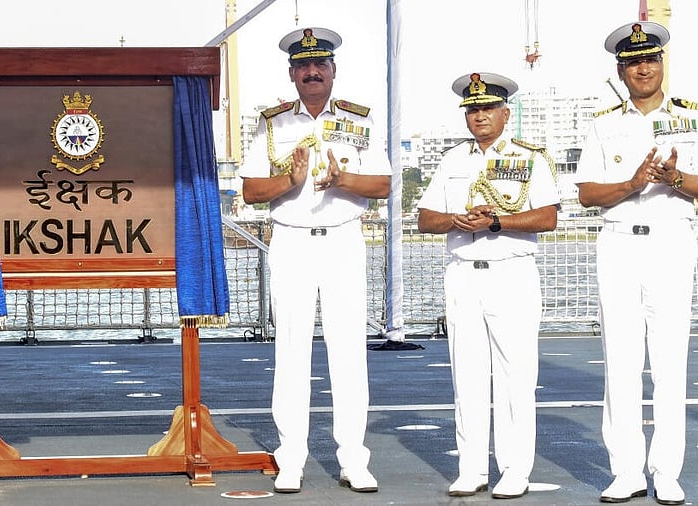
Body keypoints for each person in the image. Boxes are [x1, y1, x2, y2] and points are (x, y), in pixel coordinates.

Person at [239, 27, 390, 494]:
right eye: (303, 66)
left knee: (348, 354)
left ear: (333, 70)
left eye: (319, 64)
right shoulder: (272, 124)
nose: (311, 72)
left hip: (343, 240)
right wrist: (288, 180)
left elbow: (382, 185)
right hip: (293, 242)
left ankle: (353, 459)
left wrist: (344, 179)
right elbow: (250, 190)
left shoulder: (360, 121)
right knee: (291, 353)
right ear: (292, 74)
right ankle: (292, 457)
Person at [416, 72, 560, 499]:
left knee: (516, 375)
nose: (479, 116)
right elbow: (426, 218)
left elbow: (548, 216)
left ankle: (515, 468)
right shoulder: (452, 160)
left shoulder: (529, 157)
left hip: (511, 271)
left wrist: (497, 221)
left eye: (487, 109)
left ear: (505, 113)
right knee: (468, 373)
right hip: (463, 271)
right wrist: (456, 220)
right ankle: (472, 467)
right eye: (472, 109)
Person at [575, 22, 697, 506]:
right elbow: (586, 194)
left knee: (670, 362)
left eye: (649, 59)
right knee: (621, 362)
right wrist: (630, 183)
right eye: (632, 62)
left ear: (661, 63)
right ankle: (625, 470)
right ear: (620, 70)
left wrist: (676, 177)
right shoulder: (604, 123)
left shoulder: (692, 118)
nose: (642, 68)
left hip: (672, 240)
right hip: (620, 242)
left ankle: (666, 472)